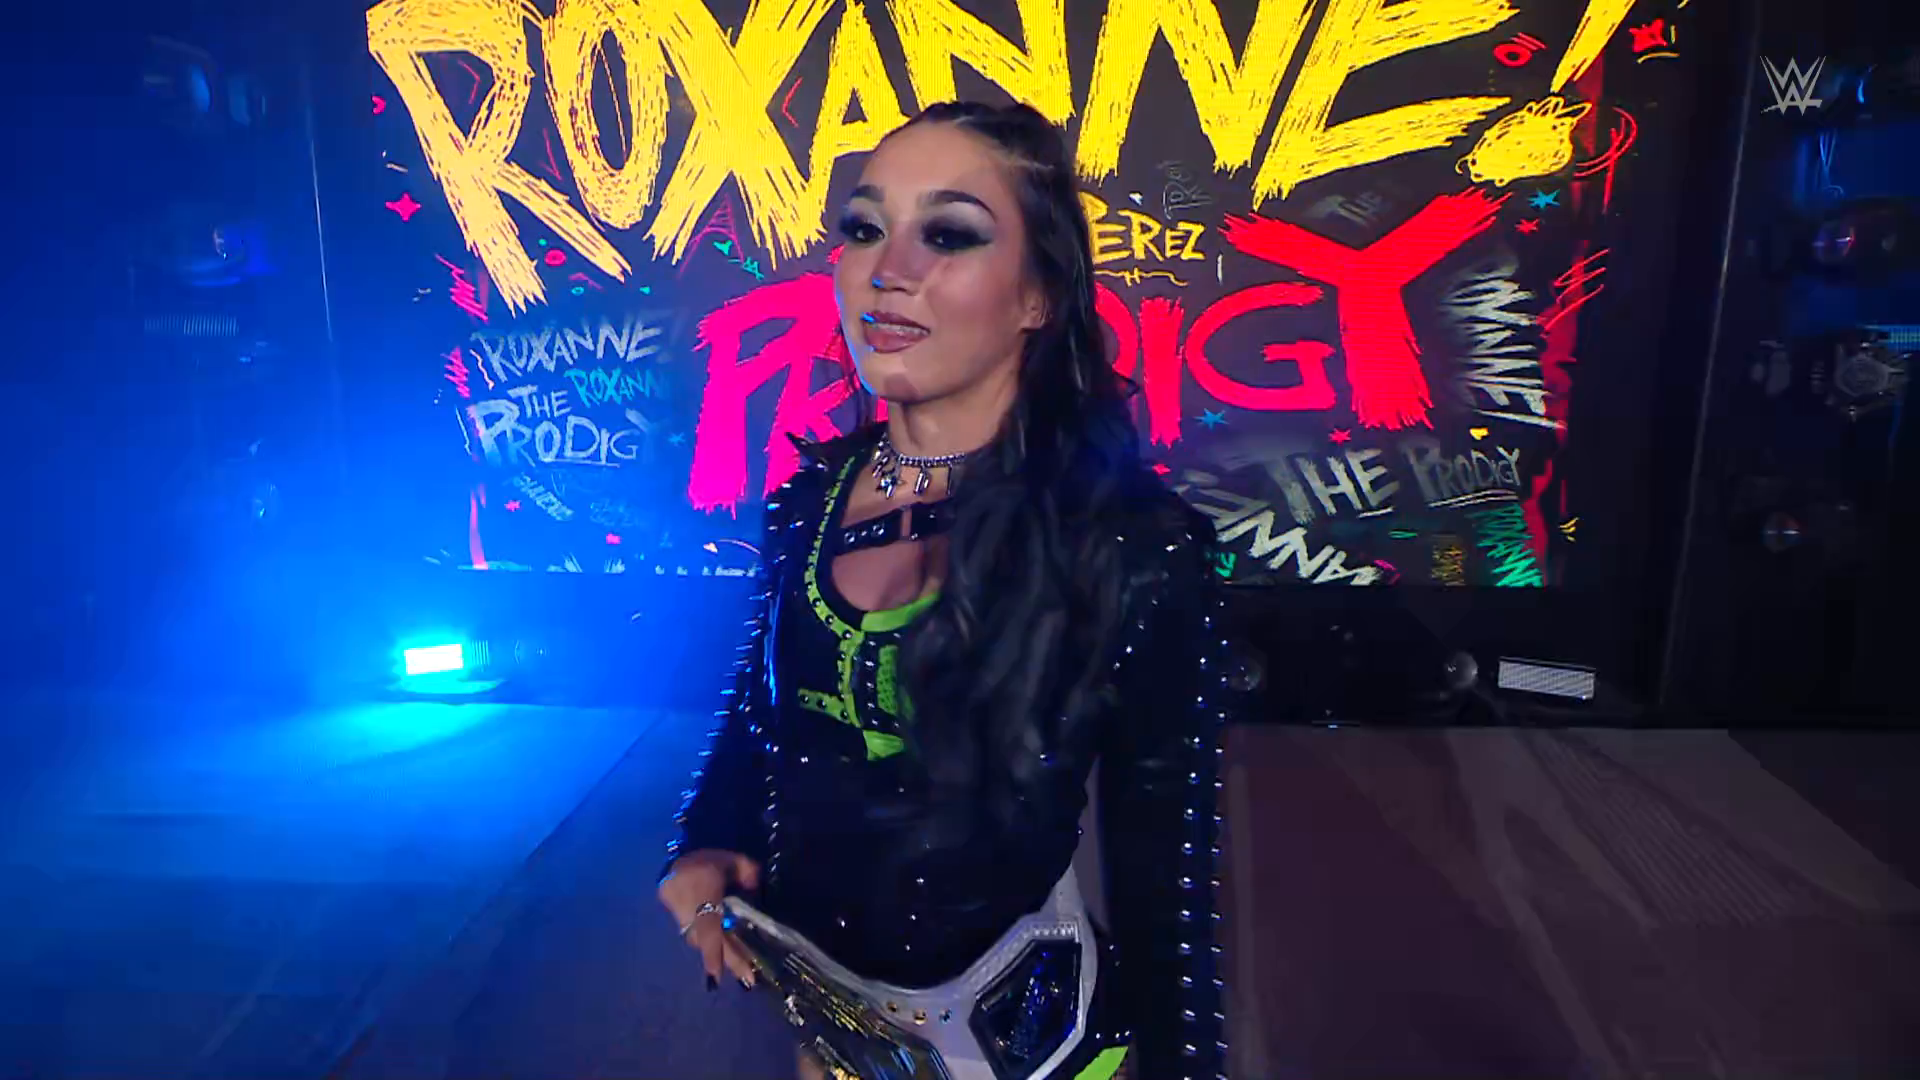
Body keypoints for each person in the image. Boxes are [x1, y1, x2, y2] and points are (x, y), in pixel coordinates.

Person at [657, 101, 1234, 1080]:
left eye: (950, 235)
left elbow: (1168, 889)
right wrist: (705, 842)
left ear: (1038, 295)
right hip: (830, 1035)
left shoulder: (1132, 547)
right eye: (865, 228)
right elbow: (757, 721)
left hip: (1031, 1051)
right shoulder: (809, 502)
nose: (889, 270)